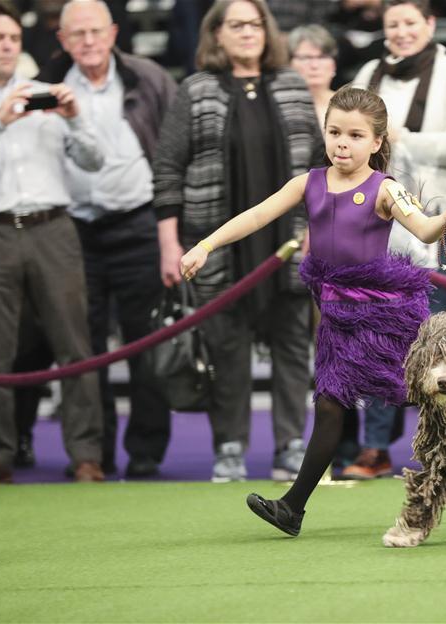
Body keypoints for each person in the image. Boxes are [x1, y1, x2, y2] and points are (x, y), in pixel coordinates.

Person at [179, 85, 446, 536]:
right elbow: (257, 215)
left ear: (376, 142)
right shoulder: (308, 183)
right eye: (334, 132)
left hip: (386, 318)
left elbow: (425, 229)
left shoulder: (386, 189)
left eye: (355, 136)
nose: (342, 143)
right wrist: (205, 244)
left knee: (425, 397)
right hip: (337, 320)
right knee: (331, 405)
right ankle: (292, 508)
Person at [0, 0, 105, 484]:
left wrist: (74, 117)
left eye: (13, 38)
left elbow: (95, 161)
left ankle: (86, 455)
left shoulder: (49, 94)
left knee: (76, 345)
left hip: (53, 227)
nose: (8, 46)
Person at [153, 0, 320, 482]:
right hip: (219, 245)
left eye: (256, 24)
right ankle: (229, 447)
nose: (248, 33)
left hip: (286, 244)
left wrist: (311, 227)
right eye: (237, 25)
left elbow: (315, 166)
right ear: (216, 34)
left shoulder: (291, 84)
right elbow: (168, 169)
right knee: (226, 347)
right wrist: (171, 243)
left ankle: (290, 445)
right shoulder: (195, 90)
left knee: (292, 345)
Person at [31, 0, 179, 478]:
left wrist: (172, 231)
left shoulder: (150, 77)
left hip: (139, 223)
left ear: (113, 33)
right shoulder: (42, 86)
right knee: (82, 346)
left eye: (96, 32)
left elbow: (176, 154)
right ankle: (92, 455)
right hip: (71, 230)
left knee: (147, 346)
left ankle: (145, 454)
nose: (89, 42)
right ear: (63, 39)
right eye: (78, 34)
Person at [345, 0, 446, 480]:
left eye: (409, 23)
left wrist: (401, 139)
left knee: (440, 344)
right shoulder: (370, 71)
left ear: (430, 24)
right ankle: (376, 448)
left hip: (439, 225)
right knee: (381, 340)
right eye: (392, 25)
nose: (401, 32)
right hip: (380, 227)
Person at [288, 24, 337, 128]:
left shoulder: (351, 106)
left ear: (334, 65)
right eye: (305, 58)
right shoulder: (279, 106)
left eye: (322, 57)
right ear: (289, 64)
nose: (314, 65)